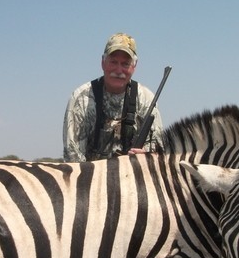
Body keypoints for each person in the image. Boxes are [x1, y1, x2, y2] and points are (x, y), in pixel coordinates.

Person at [63, 33, 164, 162]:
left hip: (133, 177)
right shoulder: (81, 99)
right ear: (103, 62)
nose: (118, 70)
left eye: (125, 64)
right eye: (113, 62)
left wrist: (148, 157)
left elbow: (159, 153)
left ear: (134, 66)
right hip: (89, 178)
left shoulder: (147, 100)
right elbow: (72, 157)